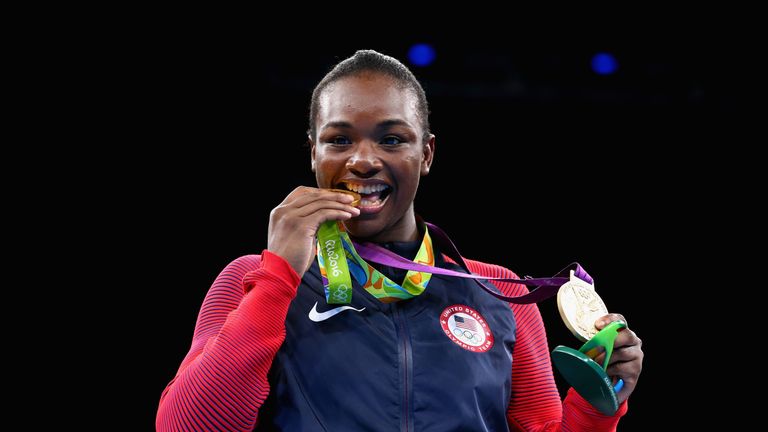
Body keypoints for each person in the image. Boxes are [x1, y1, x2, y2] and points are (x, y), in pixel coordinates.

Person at [156, 49, 643, 431]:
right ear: (313, 153)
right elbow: (186, 424)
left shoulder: (500, 292)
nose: (363, 160)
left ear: (426, 153)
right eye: (339, 140)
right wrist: (279, 276)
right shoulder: (253, 279)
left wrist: (598, 403)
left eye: (392, 139)